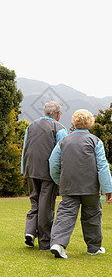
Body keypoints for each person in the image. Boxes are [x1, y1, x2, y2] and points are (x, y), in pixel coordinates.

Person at [49, 109, 112, 259]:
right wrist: (108, 189)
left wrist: (59, 180)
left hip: (69, 186)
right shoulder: (95, 141)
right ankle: (94, 248)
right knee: (92, 216)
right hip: (90, 187)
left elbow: (53, 163)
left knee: (65, 214)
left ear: (74, 122)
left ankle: (58, 244)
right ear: (90, 123)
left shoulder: (63, 141)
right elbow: (102, 166)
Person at [21, 101, 68, 250]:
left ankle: (30, 232)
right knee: (46, 207)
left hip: (30, 169)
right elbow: (62, 154)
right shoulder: (60, 128)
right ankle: (45, 242)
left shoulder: (31, 126)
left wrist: (24, 169)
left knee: (34, 202)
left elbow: (24, 149)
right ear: (58, 114)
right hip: (48, 173)